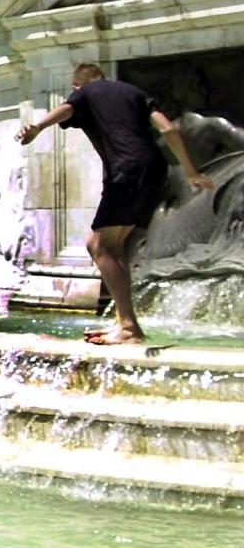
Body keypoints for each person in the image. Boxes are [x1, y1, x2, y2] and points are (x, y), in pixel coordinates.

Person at [17, 63, 215, 345]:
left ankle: (129, 329)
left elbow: (68, 110)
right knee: (115, 246)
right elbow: (168, 129)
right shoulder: (134, 92)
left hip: (126, 170)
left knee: (96, 245)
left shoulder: (85, 92)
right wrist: (190, 171)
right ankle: (124, 322)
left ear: (76, 86)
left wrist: (38, 126)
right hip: (155, 171)